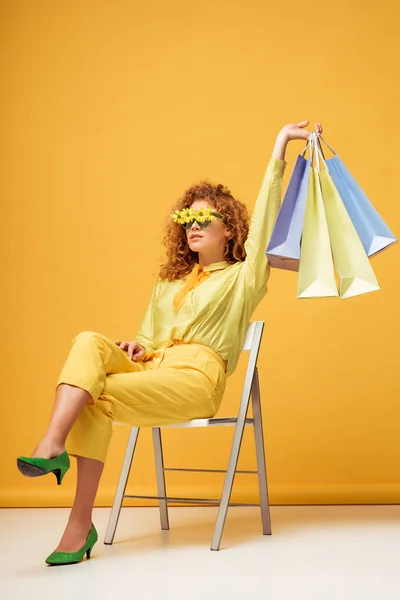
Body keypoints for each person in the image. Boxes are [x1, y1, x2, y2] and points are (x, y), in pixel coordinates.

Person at [17, 120, 323, 565]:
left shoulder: (244, 278)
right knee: (88, 341)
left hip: (196, 379)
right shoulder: (169, 283)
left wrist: (280, 146)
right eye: (187, 220)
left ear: (230, 231)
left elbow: (267, 222)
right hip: (153, 369)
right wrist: (138, 348)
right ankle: (54, 450)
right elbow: (147, 338)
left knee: (92, 398)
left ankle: (75, 519)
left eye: (204, 219)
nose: (193, 227)